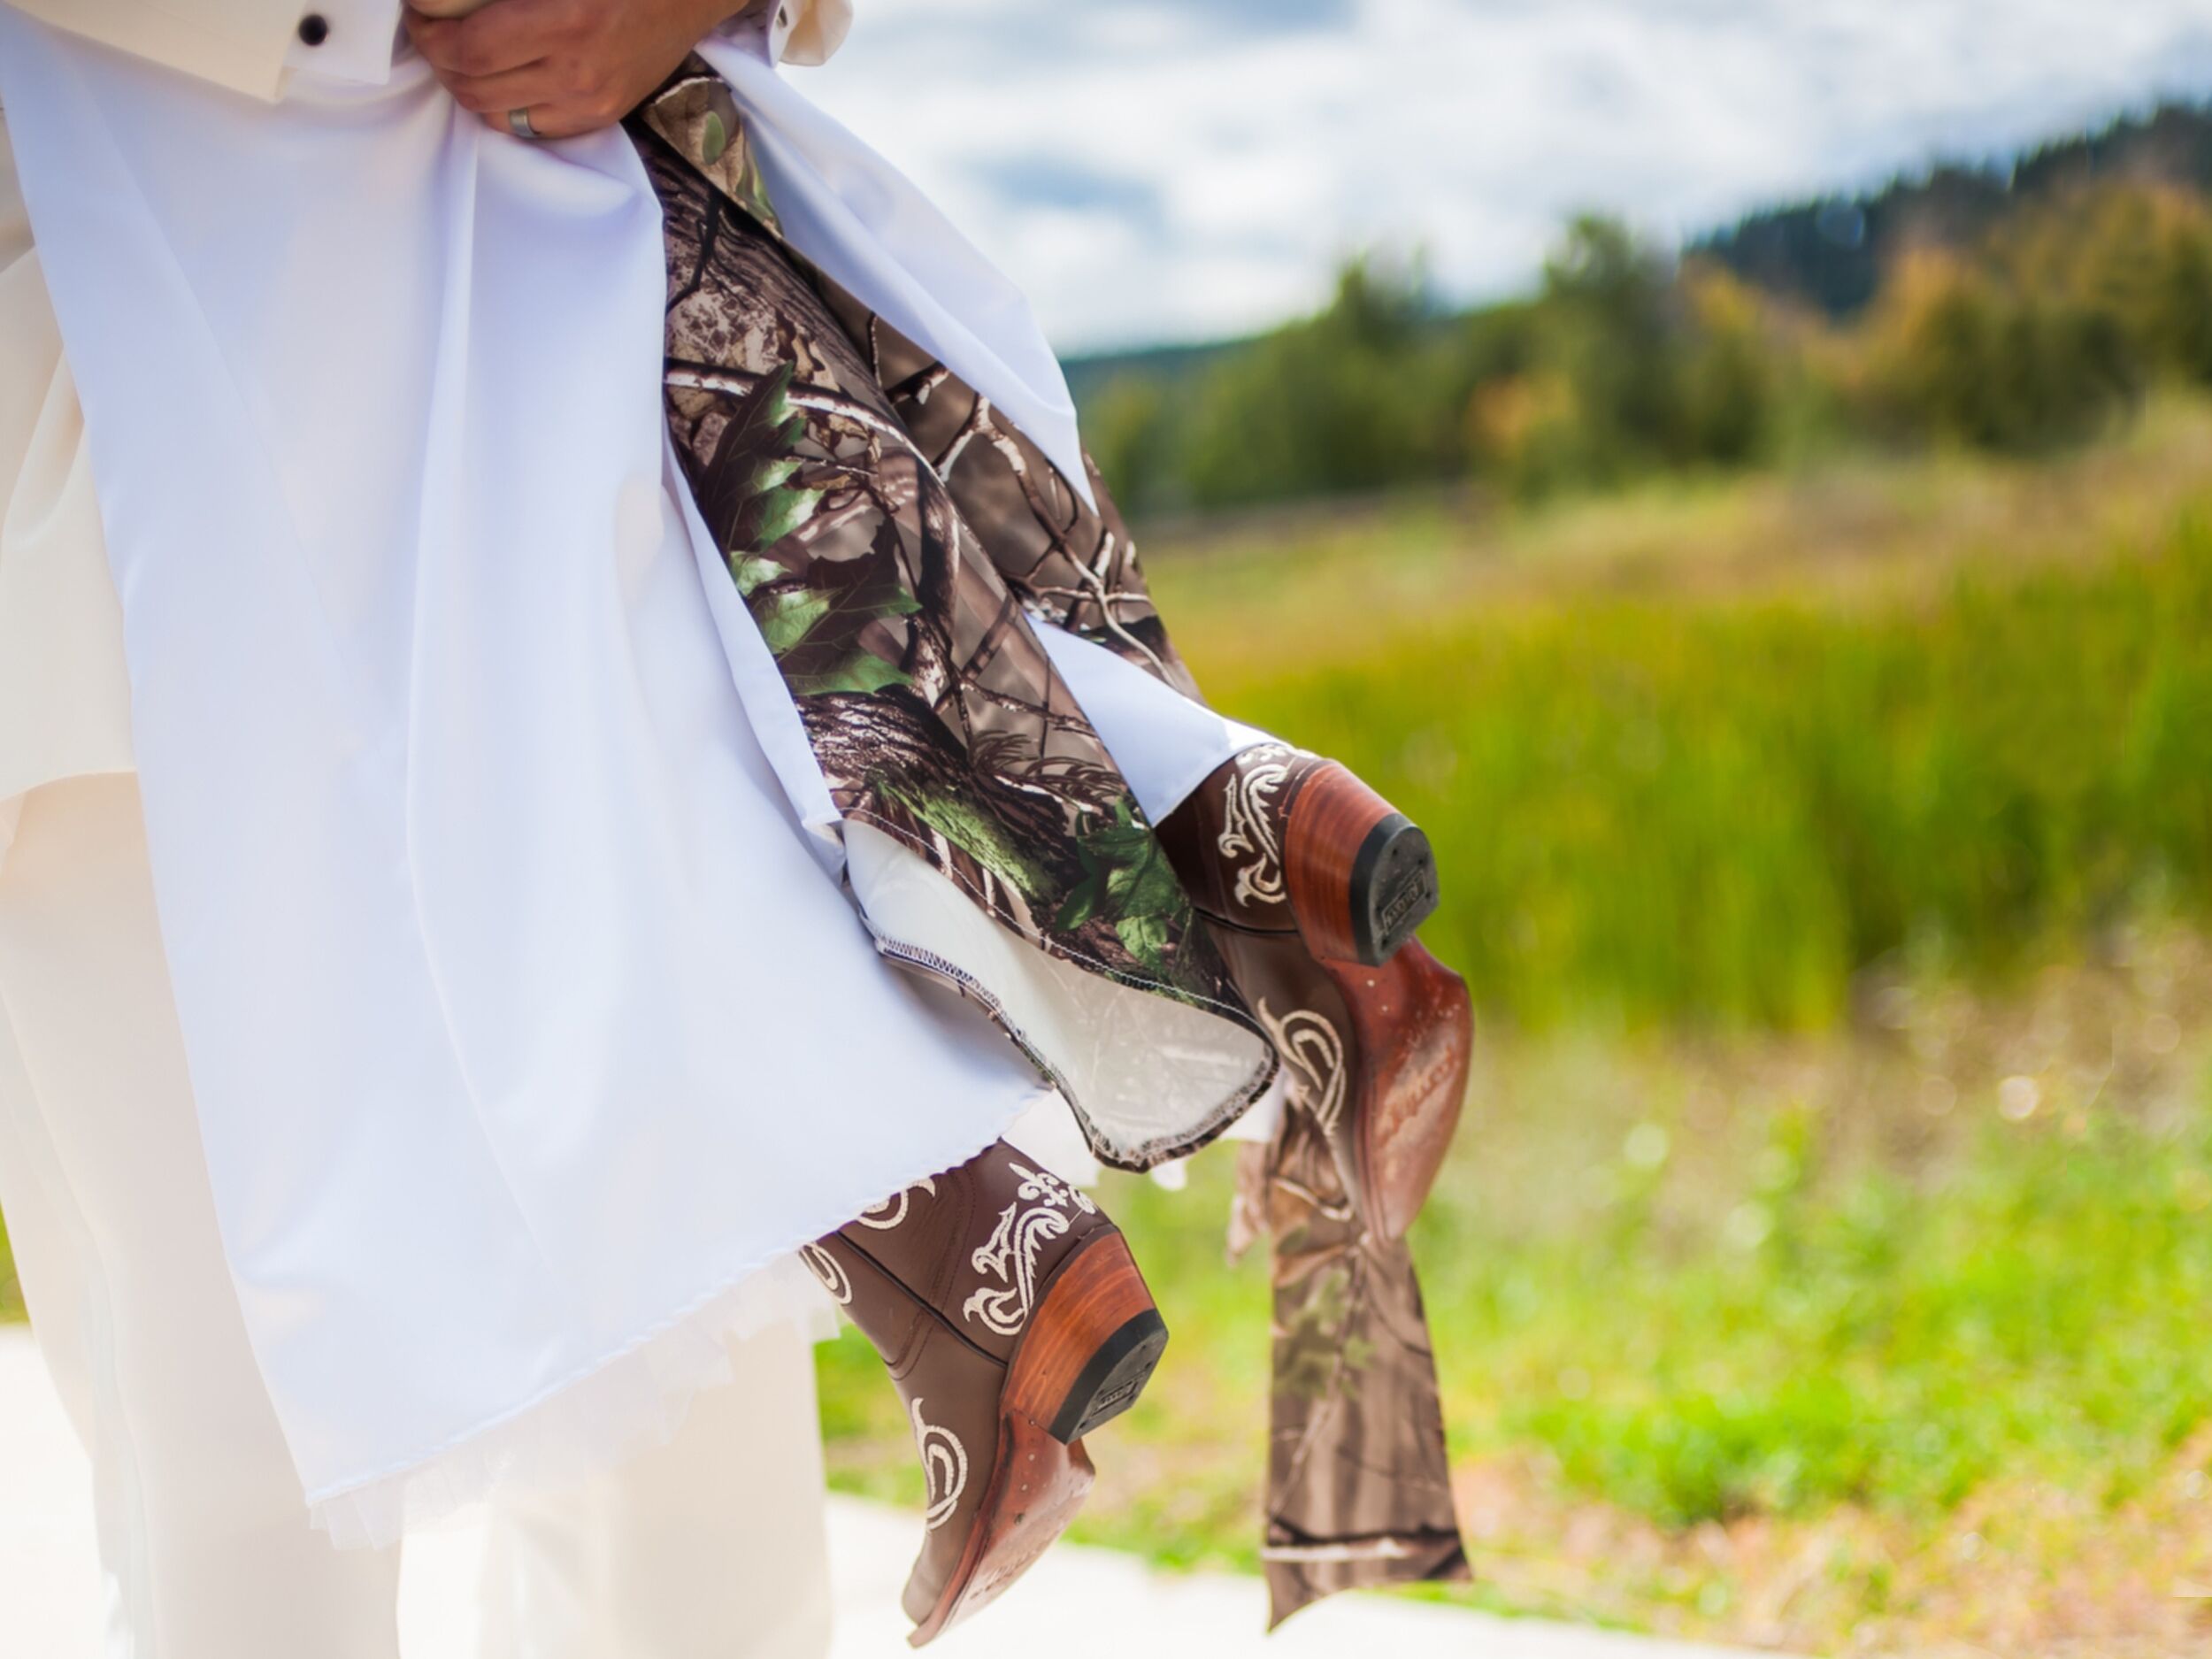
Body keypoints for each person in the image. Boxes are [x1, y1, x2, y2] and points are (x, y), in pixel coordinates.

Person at [0, 0, 1474, 1649]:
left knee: (249, 1442)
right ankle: (1186, 818)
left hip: (163, 441)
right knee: (659, 1382)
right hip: (566, 372)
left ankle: (968, 1193)